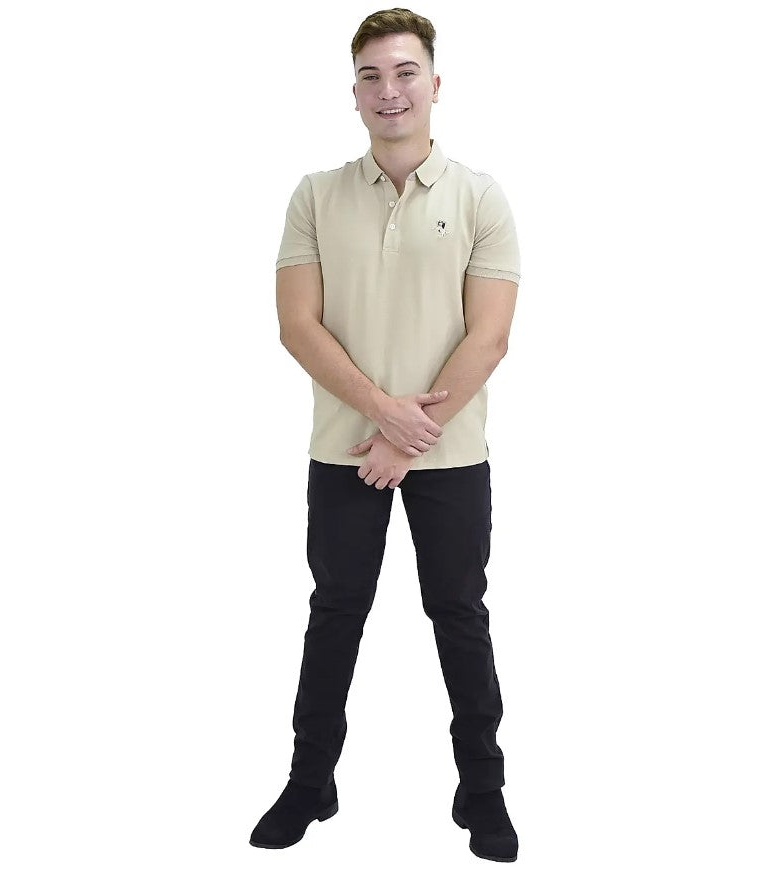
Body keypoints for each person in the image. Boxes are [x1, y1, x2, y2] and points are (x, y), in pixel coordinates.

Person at [250, 8, 521, 862]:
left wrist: (410, 436)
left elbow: (489, 337)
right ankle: (309, 782)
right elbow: (298, 326)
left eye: (404, 73)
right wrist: (380, 412)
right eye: (371, 76)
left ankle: (482, 788)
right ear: (355, 92)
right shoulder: (315, 195)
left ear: (434, 84)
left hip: (451, 456)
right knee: (335, 614)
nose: (389, 90)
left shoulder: (480, 196)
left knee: (460, 615)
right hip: (343, 453)